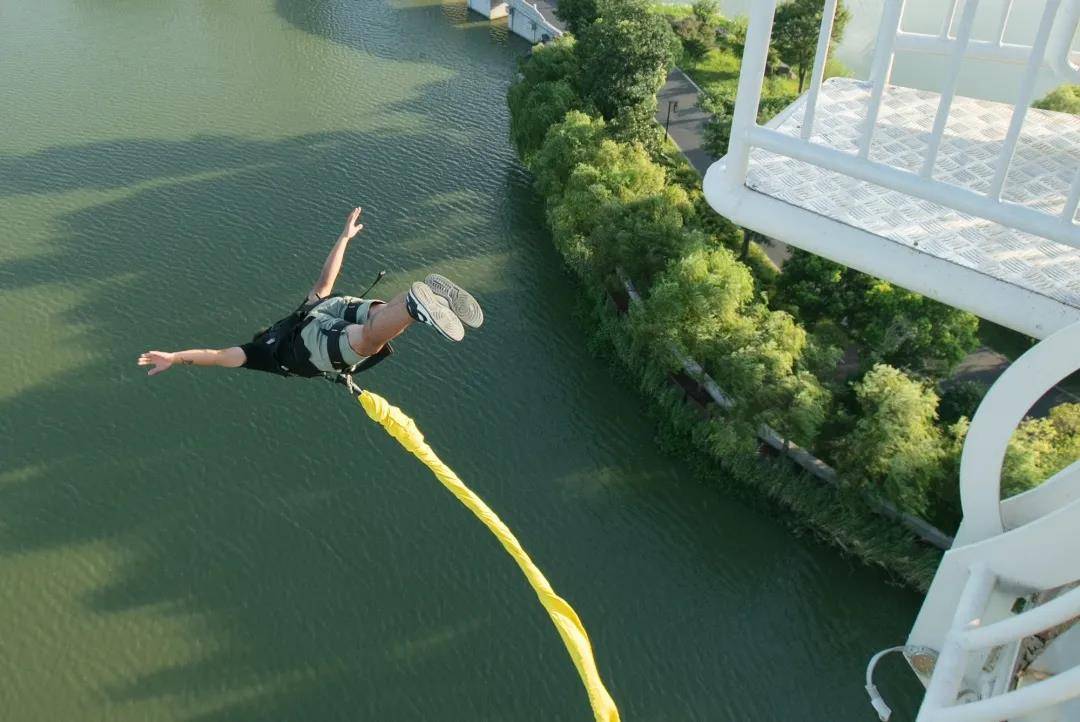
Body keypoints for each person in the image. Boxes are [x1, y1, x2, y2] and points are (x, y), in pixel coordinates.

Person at [137, 207, 482, 379]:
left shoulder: (260, 354)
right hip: (324, 307)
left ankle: (413, 306)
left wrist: (175, 356)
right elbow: (324, 281)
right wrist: (344, 237)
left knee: (365, 340)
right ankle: (425, 299)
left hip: (313, 343)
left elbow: (215, 355)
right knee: (373, 313)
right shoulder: (296, 313)